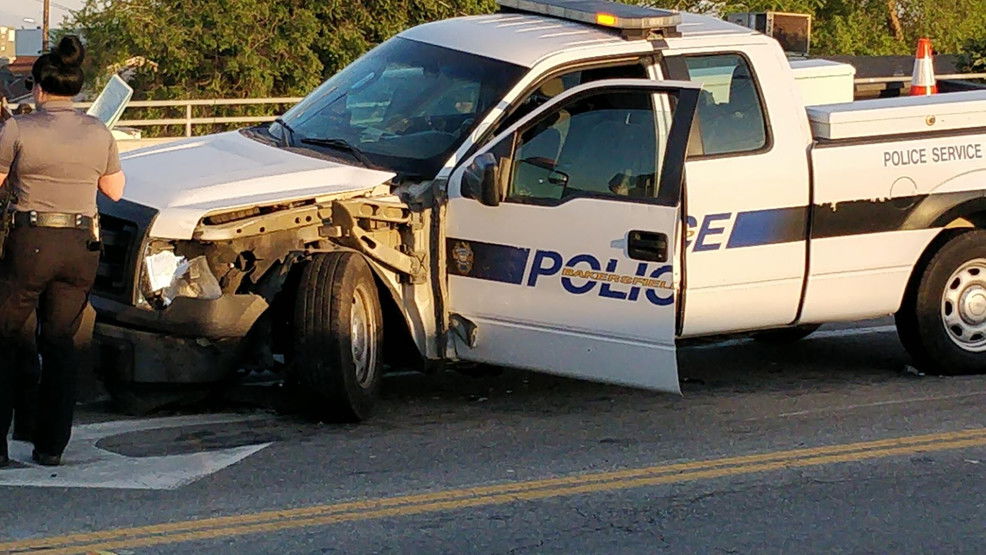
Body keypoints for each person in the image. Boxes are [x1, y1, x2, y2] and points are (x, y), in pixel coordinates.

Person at [0, 36, 126, 468]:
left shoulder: (20, 128)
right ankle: (50, 445)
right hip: (80, 245)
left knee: (7, 334)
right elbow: (113, 189)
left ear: (38, 87)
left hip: (31, 241)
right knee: (60, 343)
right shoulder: (99, 131)